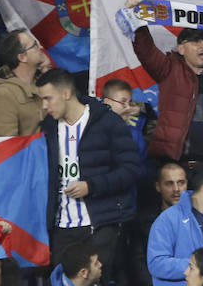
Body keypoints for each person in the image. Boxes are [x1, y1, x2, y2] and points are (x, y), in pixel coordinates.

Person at [37, 67, 140, 270]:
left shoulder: (108, 122)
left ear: (66, 93)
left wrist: (91, 186)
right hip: (61, 227)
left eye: (48, 98)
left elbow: (131, 170)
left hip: (99, 224)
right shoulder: (48, 128)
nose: (44, 105)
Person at [131, 21, 203, 186]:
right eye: (195, 41)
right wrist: (138, 23)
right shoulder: (169, 69)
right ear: (181, 49)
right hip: (171, 167)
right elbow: (146, 51)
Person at [0, 30, 51, 136]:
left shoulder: (46, 81)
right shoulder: (3, 95)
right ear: (22, 57)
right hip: (29, 152)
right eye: (34, 45)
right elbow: (6, 145)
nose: (39, 47)